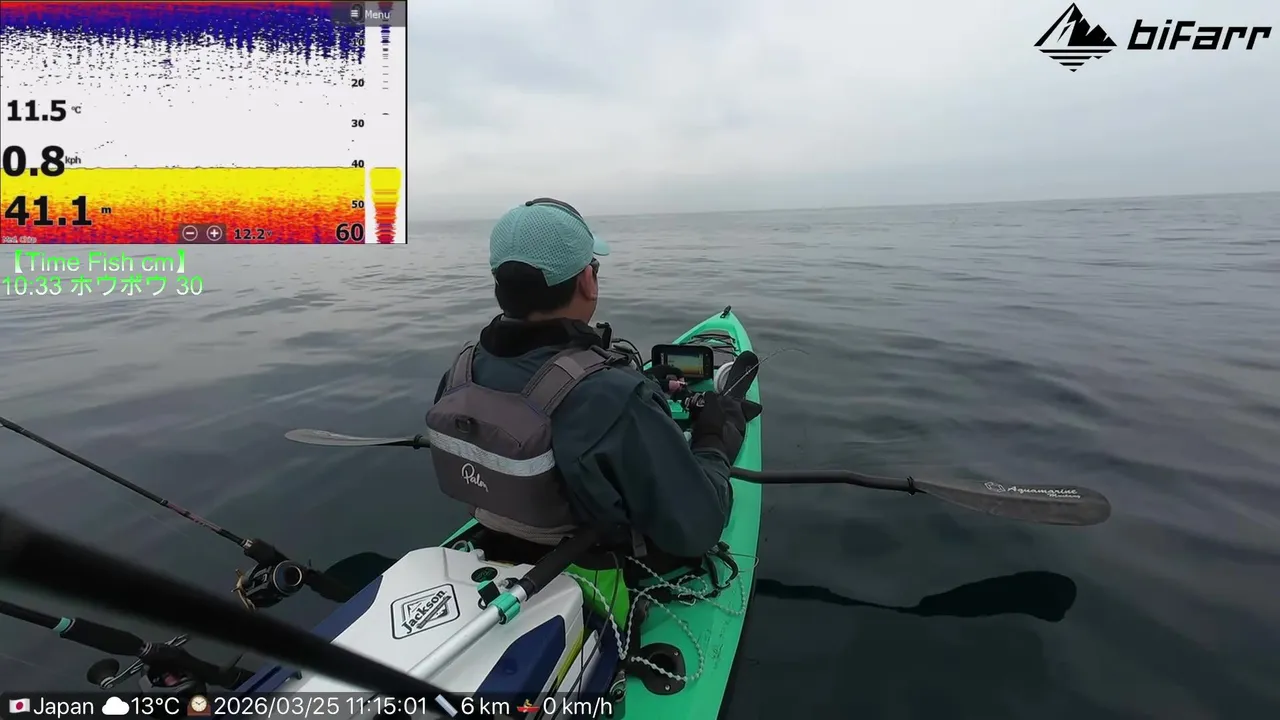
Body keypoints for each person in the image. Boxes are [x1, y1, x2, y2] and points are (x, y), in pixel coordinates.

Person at [425, 198, 748, 572]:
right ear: (586, 281)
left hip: (503, 543)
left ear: (500, 284)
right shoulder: (617, 396)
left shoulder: (460, 372)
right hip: (604, 565)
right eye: (593, 267)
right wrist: (712, 440)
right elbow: (698, 529)